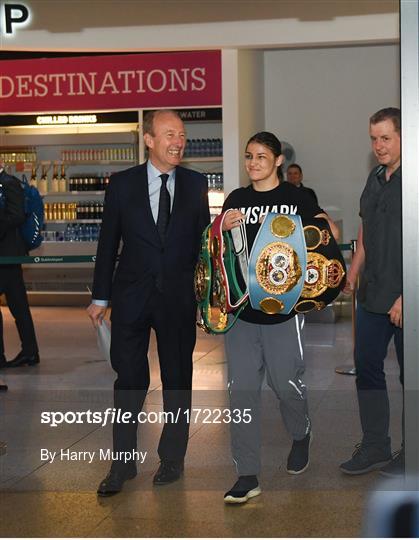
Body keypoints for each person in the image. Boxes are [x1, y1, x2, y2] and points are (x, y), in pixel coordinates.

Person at [87, 109, 210, 496]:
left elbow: (203, 245)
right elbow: (108, 243)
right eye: (170, 134)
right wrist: (100, 296)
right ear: (149, 140)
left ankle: (172, 458)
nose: (178, 142)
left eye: (183, 135)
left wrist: (208, 299)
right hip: (131, 297)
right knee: (129, 382)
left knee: (177, 379)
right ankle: (122, 465)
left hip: (177, 298)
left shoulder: (195, 183)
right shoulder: (122, 185)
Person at [221, 131, 339, 504]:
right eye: (248, 156)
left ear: (277, 161)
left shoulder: (296, 198)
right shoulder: (236, 200)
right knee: (241, 391)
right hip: (241, 314)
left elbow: (327, 239)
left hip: (283, 315)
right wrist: (221, 227)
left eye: (260, 156)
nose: (253, 162)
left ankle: (301, 433)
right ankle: (246, 473)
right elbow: (218, 252)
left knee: (285, 384)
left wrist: (323, 227)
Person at [340, 107, 403, 477]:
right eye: (373, 139)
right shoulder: (375, 177)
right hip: (373, 295)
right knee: (367, 368)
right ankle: (376, 445)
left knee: (411, 378)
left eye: (385, 138)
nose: (378, 146)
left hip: (405, 297)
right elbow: (366, 227)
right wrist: (354, 270)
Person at [0, 165, 39, 369]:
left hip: (8, 256)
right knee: (19, 306)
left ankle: (28, 352)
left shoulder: (9, 184)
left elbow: (16, 216)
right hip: (7, 256)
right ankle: (31, 352)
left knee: (19, 307)